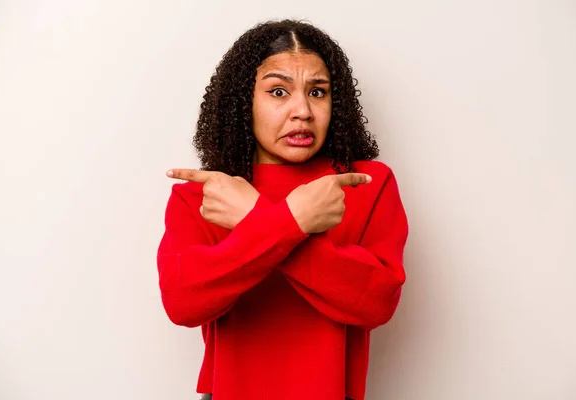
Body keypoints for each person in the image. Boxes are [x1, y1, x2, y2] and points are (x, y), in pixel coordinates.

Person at [157, 19, 408, 400]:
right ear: (245, 101)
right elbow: (183, 304)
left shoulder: (365, 183)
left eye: (318, 92)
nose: (303, 111)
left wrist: (255, 217)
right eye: (278, 91)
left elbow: (375, 303)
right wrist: (293, 222)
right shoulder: (209, 195)